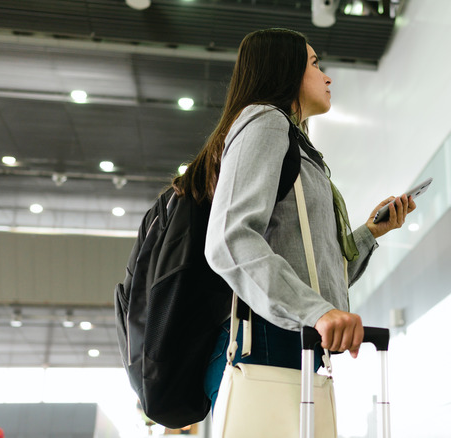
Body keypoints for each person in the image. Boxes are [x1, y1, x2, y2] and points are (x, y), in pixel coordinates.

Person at [171, 27, 416, 407]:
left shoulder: (292, 139)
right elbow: (229, 239)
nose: (327, 76)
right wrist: (317, 312)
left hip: (287, 339)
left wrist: (369, 233)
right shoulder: (265, 120)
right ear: (284, 70)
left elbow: (310, 273)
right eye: (316, 64)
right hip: (267, 340)